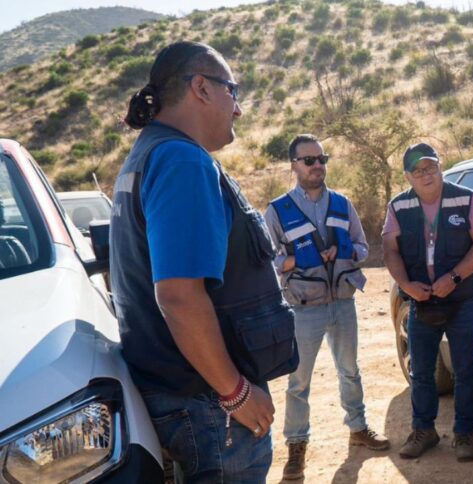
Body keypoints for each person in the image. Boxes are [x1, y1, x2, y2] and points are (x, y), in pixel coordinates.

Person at [110, 41, 298, 482]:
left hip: (186, 396)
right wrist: (235, 393)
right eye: (233, 91)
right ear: (201, 88)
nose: (239, 109)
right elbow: (179, 296)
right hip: (209, 405)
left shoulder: (149, 153)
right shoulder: (181, 160)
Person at [263, 134, 389, 481]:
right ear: (294, 165)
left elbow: (363, 247)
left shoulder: (342, 204)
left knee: (350, 370)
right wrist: (296, 260)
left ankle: (358, 428)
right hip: (303, 308)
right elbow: (267, 260)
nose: (317, 165)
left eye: (322, 159)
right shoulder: (277, 210)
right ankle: (296, 446)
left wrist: (346, 251)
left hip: (343, 303)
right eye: (309, 160)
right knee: (298, 382)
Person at [382, 142, 473, 462]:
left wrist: (455, 277)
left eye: (431, 167)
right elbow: (389, 249)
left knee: (464, 370)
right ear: (407, 176)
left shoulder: (467, 198)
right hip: (421, 303)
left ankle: (464, 434)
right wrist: (406, 286)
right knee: (421, 371)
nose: (426, 174)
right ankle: (423, 430)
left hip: (462, 300)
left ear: (440, 167)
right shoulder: (398, 206)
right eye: (418, 171)